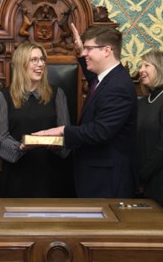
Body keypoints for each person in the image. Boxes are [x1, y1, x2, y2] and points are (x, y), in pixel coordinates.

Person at [34, 23, 138, 198]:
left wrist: (62, 130)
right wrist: (81, 51)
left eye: (89, 49)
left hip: (107, 181)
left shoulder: (118, 86)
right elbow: (95, 84)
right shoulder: (108, 79)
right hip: (97, 174)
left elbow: (100, 131)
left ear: (106, 50)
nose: (85, 53)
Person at [0, 41, 72, 198]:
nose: (40, 64)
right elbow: (1, 140)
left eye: (42, 60)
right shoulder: (4, 96)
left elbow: (67, 135)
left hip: (51, 175)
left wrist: (56, 145)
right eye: (34, 60)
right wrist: (21, 147)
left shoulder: (57, 94)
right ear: (22, 64)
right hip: (17, 177)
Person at [135, 50, 163, 212]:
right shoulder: (142, 103)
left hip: (162, 181)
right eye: (141, 65)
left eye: (146, 65)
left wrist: (143, 175)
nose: (141, 70)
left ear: (161, 68)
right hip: (139, 181)